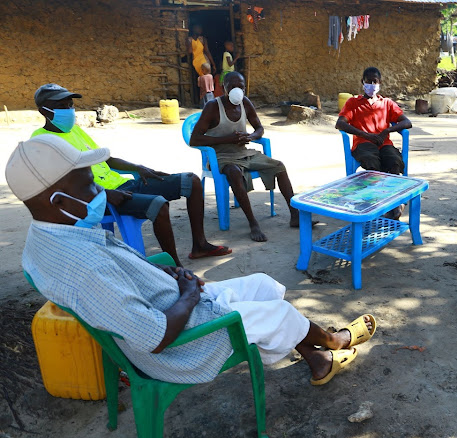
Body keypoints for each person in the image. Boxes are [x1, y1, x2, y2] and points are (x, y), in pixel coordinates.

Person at [7, 134, 377, 386]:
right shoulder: (82, 266)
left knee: (264, 285)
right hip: (183, 343)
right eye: (88, 184)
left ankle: (317, 359)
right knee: (278, 313)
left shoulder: (50, 235)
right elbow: (153, 337)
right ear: (58, 200)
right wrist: (186, 293)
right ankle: (331, 342)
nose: (99, 190)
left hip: (171, 305)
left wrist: (154, 271)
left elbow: (114, 282)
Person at [31, 83, 230, 267]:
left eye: (70, 104)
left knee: (191, 182)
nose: (69, 109)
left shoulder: (74, 130)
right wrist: (105, 194)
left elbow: (106, 159)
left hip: (121, 185)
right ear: (44, 111)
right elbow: (59, 183)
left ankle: (200, 246)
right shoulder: (42, 141)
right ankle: (176, 267)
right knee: (158, 204)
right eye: (61, 106)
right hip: (98, 199)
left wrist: (139, 168)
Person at [190, 71, 300, 242]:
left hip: (244, 153)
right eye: (232, 86)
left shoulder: (245, 103)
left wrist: (250, 137)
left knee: (279, 166)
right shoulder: (213, 107)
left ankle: (295, 215)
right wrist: (228, 139)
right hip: (221, 156)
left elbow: (259, 128)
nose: (237, 90)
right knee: (233, 173)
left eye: (240, 86)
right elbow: (194, 139)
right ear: (223, 88)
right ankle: (253, 223)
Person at [336, 67, 412, 218]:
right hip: (363, 143)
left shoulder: (387, 103)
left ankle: (395, 201)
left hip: (384, 143)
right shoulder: (353, 102)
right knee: (372, 162)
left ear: (380, 83)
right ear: (362, 82)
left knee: (394, 161)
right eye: (368, 81)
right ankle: (376, 201)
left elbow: (407, 122)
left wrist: (386, 131)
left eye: (374, 81)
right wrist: (364, 134)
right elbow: (340, 123)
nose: (371, 85)